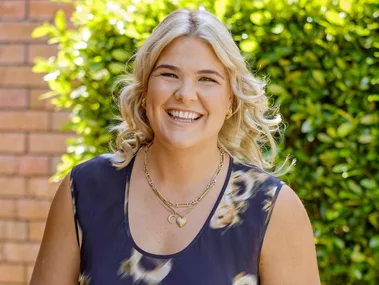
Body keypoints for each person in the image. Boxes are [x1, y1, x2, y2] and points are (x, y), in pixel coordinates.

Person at [30, 8, 320, 285]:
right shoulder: (83, 191)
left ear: (230, 100)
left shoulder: (272, 208)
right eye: (169, 75)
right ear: (145, 90)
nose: (185, 94)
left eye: (207, 79)